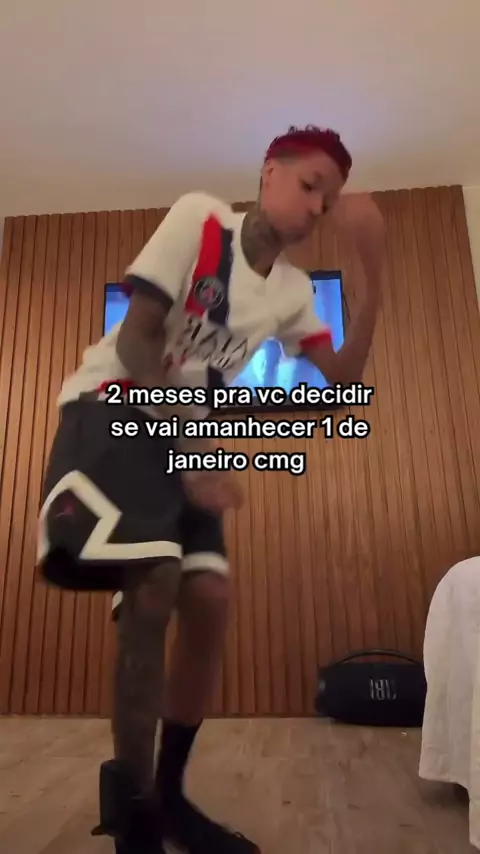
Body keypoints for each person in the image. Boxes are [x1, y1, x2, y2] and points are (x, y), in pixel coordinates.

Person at [36, 124, 386, 854]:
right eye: (310, 185)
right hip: (114, 408)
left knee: (211, 600)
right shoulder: (200, 220)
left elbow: (342, 381)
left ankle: (167, 799)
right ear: (269, 173)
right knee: (156, 581)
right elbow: (137, 338)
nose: (318, 208)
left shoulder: (292, 292)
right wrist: (191, 449)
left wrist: (374, 270)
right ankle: (135, 817)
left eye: (330, 202)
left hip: (184, 436)